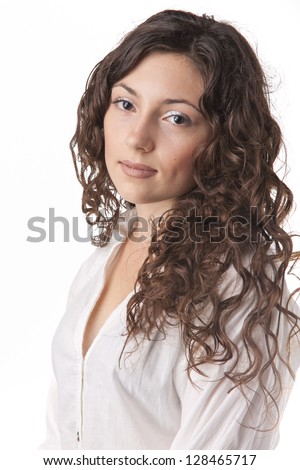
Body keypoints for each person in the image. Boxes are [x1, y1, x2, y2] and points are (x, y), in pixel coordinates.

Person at [40, 9, 300, 450]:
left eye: (176, 118)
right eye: (126, 104)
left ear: (224, 142)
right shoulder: (106, 254)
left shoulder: (237, 289)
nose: (138, 137)